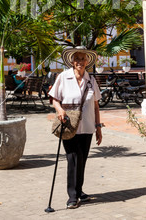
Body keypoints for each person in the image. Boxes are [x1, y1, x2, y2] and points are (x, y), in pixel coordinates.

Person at [48, 46, 102, 209]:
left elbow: (96, 106)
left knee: (82, 160)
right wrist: (60, 110)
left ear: (87, 62)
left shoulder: (91, 80)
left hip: (87, 126)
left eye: (82, 59)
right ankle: (72, 196)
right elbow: (54, 99)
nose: (80, 61)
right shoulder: (64, 77)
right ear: (72, 61)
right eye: (77, 58)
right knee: (73, 158)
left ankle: (79, 191)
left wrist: (98, 127)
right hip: (69, 125)